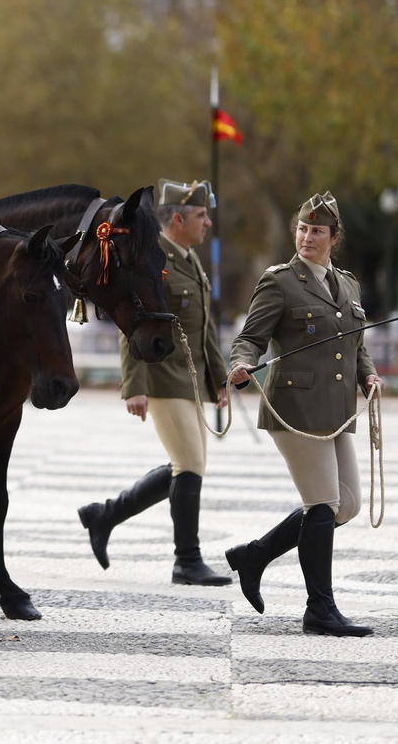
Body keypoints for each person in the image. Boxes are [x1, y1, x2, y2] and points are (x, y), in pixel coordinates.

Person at [226, 192, 384, 637]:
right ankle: (320, 609)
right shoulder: (279, 281)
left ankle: (254, 555)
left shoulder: (348, 284)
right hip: (293, 409)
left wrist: (369, 376)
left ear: (334, 238)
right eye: (302, 228)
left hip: (336, 412)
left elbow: (359, 348)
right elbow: (251, 338)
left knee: (346, 504)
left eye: (317, 231)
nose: (307, 237)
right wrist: (239, 364)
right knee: (323, 504)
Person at [79, 179, 231, 587]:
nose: (208, 223)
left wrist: (218, 379)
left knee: (186, 466)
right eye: (201, 216)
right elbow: (132, 320)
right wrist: (135, 384)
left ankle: (105, 515)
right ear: (178, 218)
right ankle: (187, 561)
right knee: (190, 465)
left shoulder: (190, 259)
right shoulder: (153, 257)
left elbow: (206, 330)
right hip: (163, 375)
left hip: (191, 379)